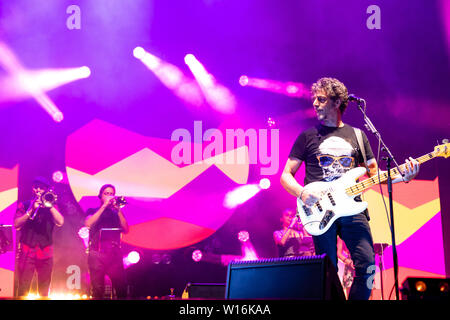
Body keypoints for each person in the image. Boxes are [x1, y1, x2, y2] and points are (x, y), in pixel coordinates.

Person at [280, 77, 420, 300]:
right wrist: (302, 192)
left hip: (353, 209)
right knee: (327, 271)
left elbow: (376, 176)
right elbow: (285, 175)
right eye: (314, 99)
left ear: (337, 103)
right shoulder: (307, 136)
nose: (315, 103)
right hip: (320, 210)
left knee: (368, 265)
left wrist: (403, 176)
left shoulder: (358, 135)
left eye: (321, 99)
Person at [13, 176, 64, 298]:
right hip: (27, 252)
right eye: (36, 187)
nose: (39, 190)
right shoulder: (24, 205)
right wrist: (31, 209)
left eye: (42, 188)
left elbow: (60, 222)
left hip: (46, 252)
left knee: (44, 288)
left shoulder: (52, 206)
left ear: (46, 190)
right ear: (33, 189)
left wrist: (49, 205)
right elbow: (16, 225)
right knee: (23, 288)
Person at [85, 184, 129, 299]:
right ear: (100, 196)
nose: (110, 196)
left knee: (121, 287)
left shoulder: (116, 214)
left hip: (114, 254)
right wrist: (104, 206)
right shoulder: (92, 210)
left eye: (111, 194)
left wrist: (118, 210)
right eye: (106, 193)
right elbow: (88, 224)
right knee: (98, 289)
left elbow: (126, 229)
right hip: (96, 254)